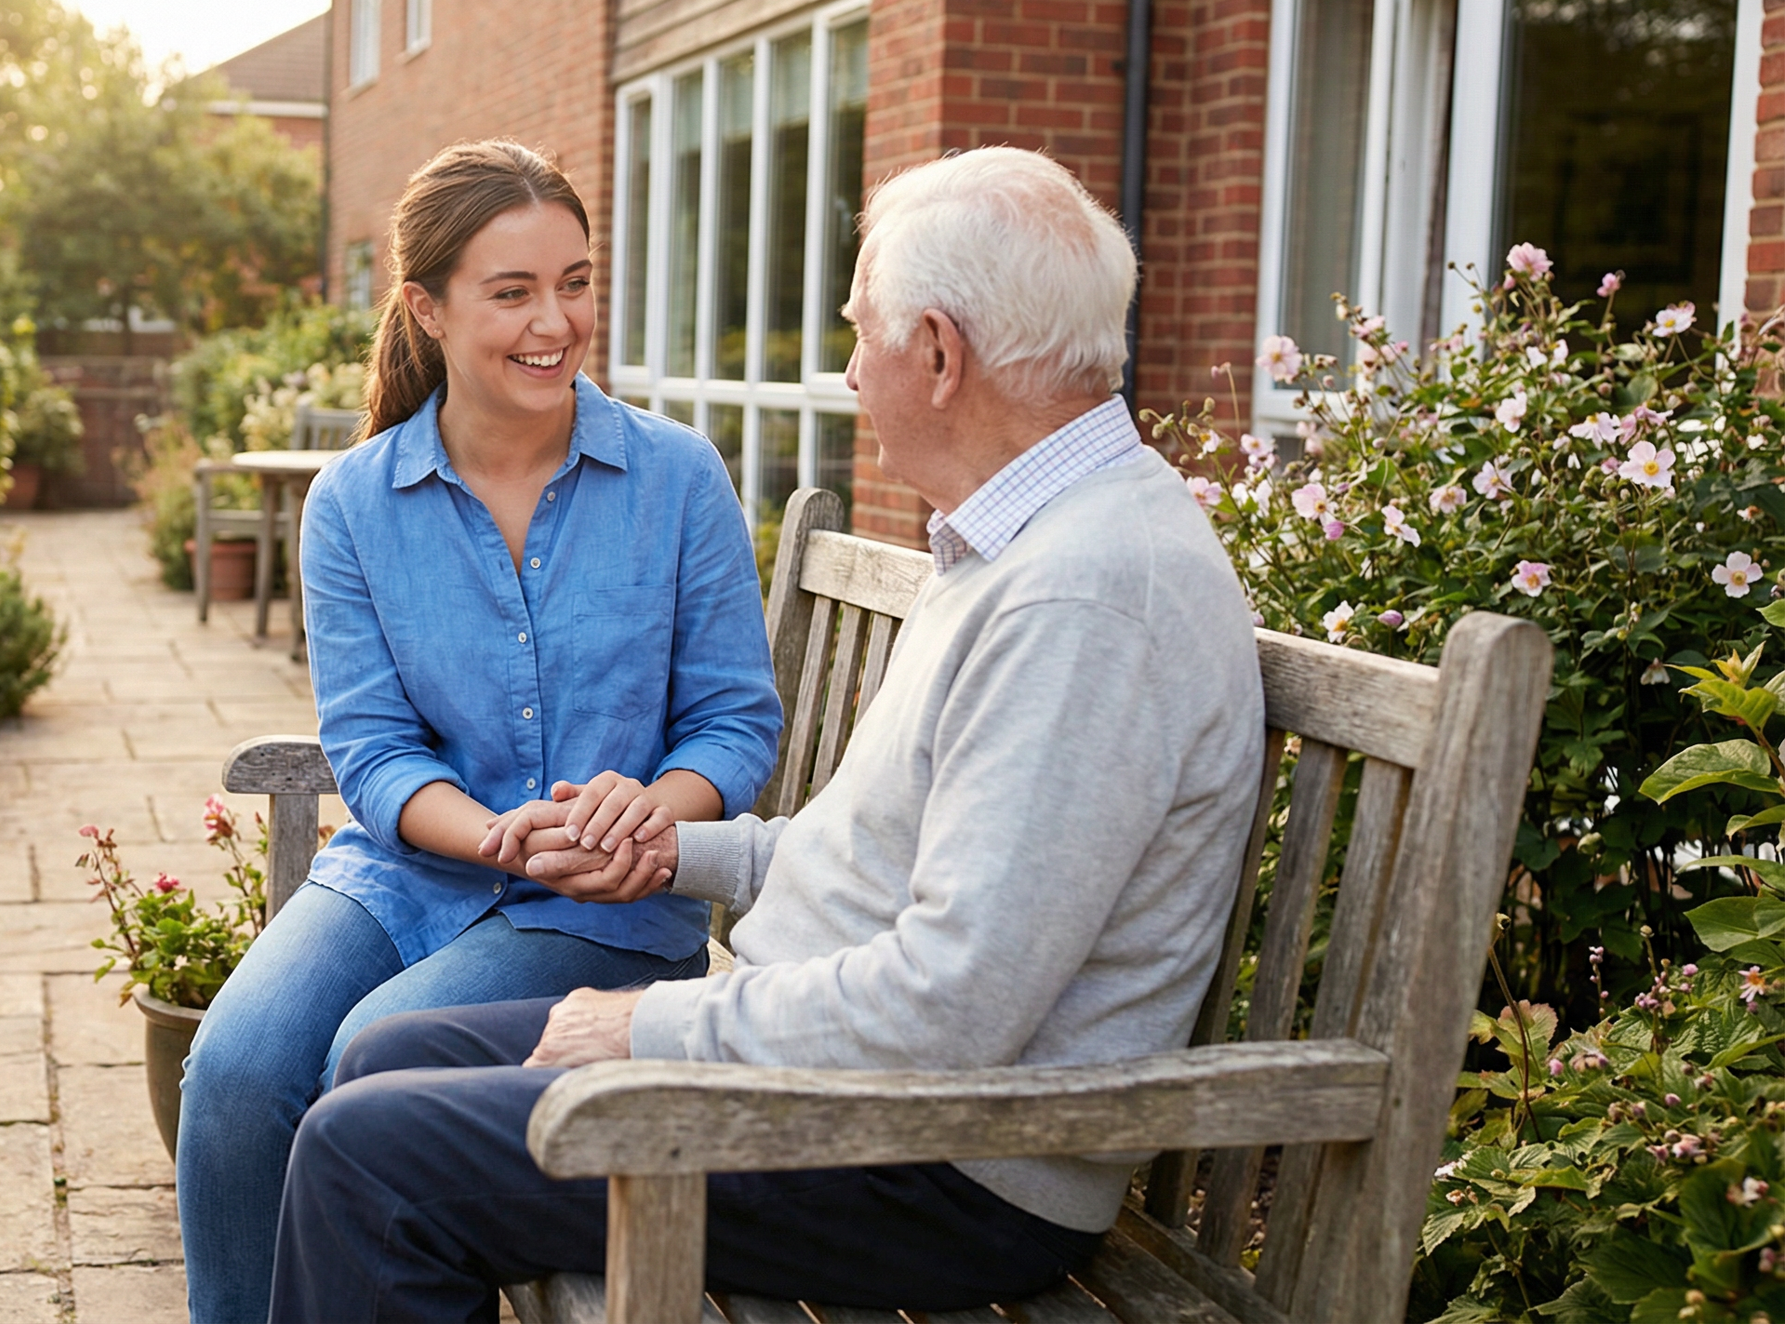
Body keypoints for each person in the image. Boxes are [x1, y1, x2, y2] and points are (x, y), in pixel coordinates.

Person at [266, 146, 1270, 1321]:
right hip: (849, 1090)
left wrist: (643, 1021)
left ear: (938, 354)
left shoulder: (1083, 595)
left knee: (372, 1157)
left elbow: (947, 1008)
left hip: (936, 1162)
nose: (847, 374)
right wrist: (672, 850)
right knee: (390, 1065)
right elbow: (875, 859)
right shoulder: (1021, 545)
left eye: (861, 334)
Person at [173, 139, 784, 1324]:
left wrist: (643, 818)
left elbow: (730, 719)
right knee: (237, 1072)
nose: (554, 321)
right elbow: (375, 750)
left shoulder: (676, 478)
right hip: (404, 874)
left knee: (375, 1051)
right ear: (426, 307)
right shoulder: (353, 502)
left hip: (608, 907)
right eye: (511, 292)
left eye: (575, 280)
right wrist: (501, 837)